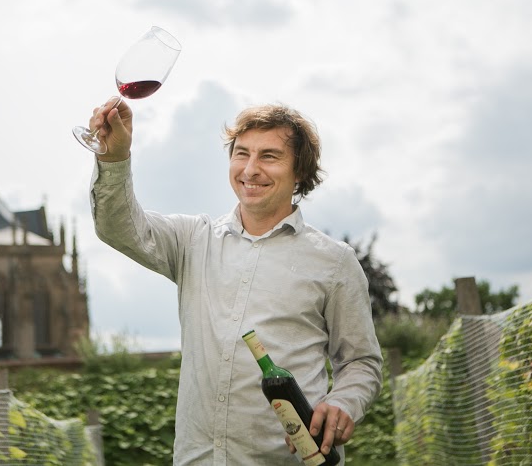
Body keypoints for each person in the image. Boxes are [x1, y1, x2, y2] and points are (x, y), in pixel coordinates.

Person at [88, 98, 383, 465]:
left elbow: (361, 362)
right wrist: (114, 156)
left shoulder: (334, 262)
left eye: (269, 157)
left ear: (299, 171)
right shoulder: (193, 240)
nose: (251, 169)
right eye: (242, 153)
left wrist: (343, 403)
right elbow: (116, 226)